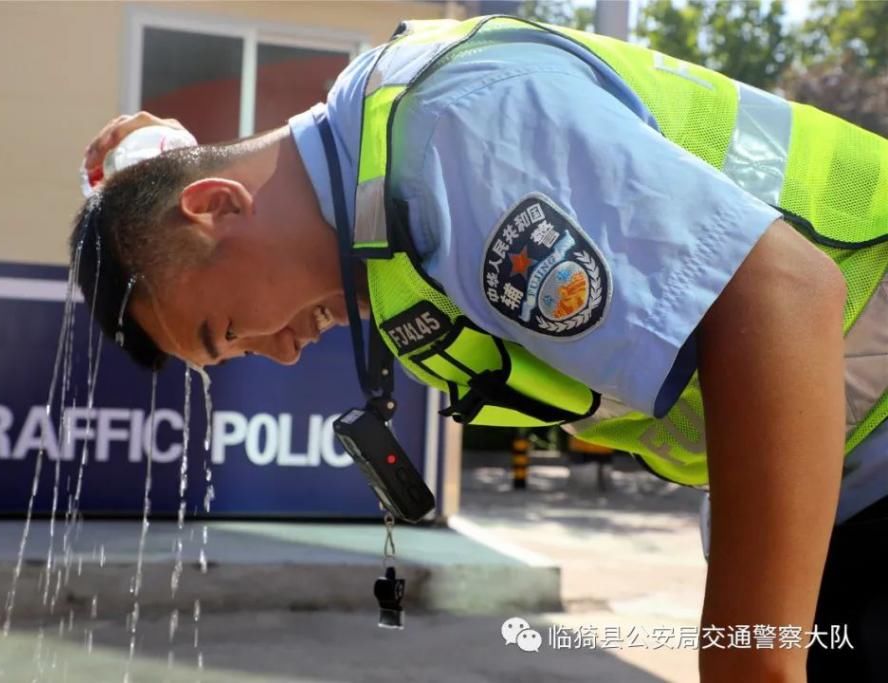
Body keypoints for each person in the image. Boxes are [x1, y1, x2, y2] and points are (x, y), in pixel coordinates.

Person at [72, 15, 887, 682]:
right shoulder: (385, 203)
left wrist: (750, 660)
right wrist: (156, 173)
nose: (276, 353)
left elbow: (786, 291)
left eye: (230, 331)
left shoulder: (456, 130)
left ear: (218, 204)